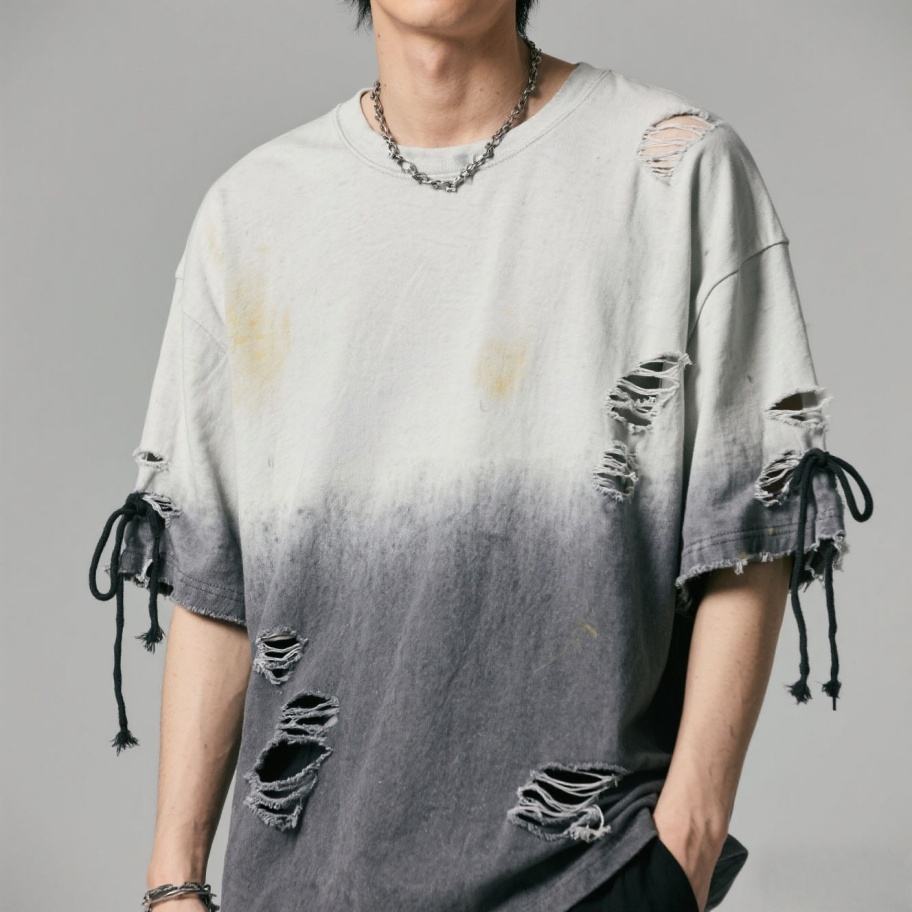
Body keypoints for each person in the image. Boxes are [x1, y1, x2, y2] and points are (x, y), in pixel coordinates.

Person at [87, 2, 874, 911]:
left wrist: (684, 847)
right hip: (304, 888)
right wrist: (175, 882)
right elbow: (214, 576)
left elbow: (752, 519)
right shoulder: (252, 210)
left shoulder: (673, 167)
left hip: (589, 877)